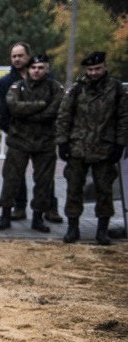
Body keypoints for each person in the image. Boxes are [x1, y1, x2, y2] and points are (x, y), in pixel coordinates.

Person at [56, 51, 127, 245]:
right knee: (74, 189)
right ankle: (73, 228)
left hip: (104, 148)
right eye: (91, 69)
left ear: (105, 67)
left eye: (97, 68)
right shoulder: (77, 89)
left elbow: (123, 118)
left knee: (104, 191)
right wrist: (62, 142)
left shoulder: (116, 89)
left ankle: (102, 230)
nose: (94, 73)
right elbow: (64, 116)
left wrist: (120, 144)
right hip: (78, 147)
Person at [0, 54, 63, 233]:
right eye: (33, 68)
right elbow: (14, 107)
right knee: (11, 179)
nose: (36, 71)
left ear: (47, 69)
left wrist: (28, 112)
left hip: (45, 141)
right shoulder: (17, 86)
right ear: (28, 70)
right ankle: (5, 215)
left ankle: (38, 217)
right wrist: (41, 105)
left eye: (40, 67)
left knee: (43, 182)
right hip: (19, 140)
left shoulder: (55, 88)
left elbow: (54, 110)